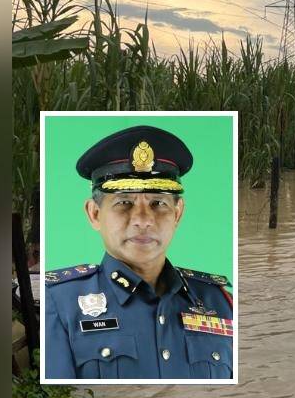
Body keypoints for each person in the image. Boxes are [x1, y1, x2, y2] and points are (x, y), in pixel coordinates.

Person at [44, 125, 233, 380]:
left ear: (177, 214)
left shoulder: (218, 302)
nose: (143, 220)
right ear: (94, 214)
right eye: (124, 203)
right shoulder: (57, 304)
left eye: (158, 203)